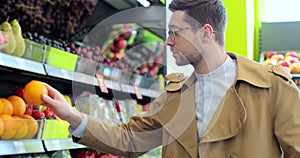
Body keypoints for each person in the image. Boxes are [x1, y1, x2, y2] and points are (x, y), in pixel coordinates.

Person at [42, 0, 300, 157]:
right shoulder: (176, 95)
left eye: (175, 33)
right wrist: (72, 116)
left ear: (205, 34)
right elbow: (131, 139)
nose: (168, 41)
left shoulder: (272, 86)